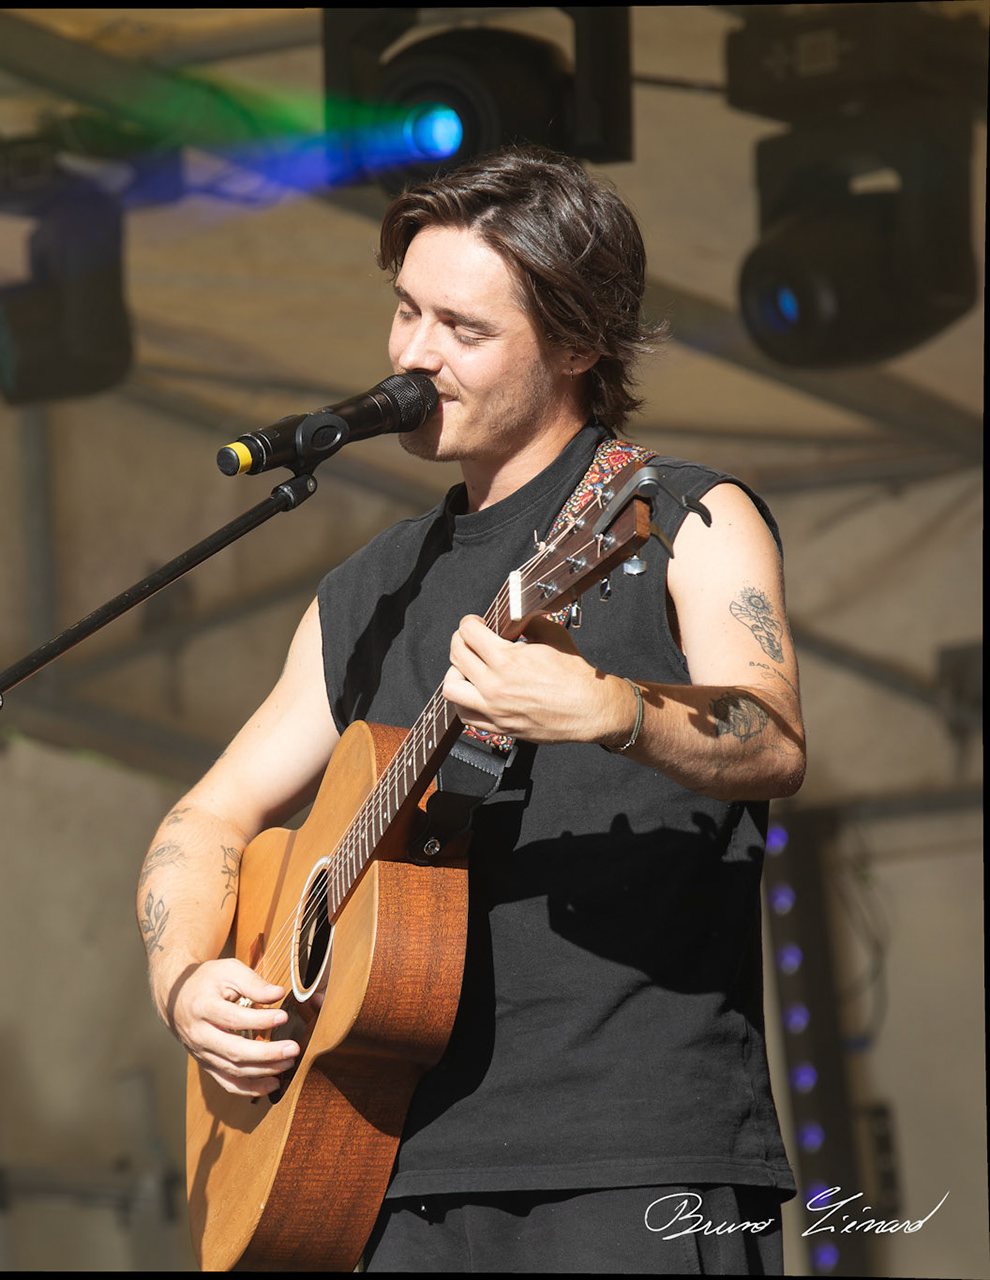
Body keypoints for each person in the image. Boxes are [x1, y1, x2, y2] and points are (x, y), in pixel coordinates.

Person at [139, 148, 802, 1273]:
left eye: (462, 326)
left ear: (580, 342)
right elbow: (206, 820)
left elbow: (774, 734)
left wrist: (611, 707)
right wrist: (186, 980)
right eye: (405, 310)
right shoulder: (371, 587)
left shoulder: (680, 514)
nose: (411, 354)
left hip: (636, 1154)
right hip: (383, 1167)